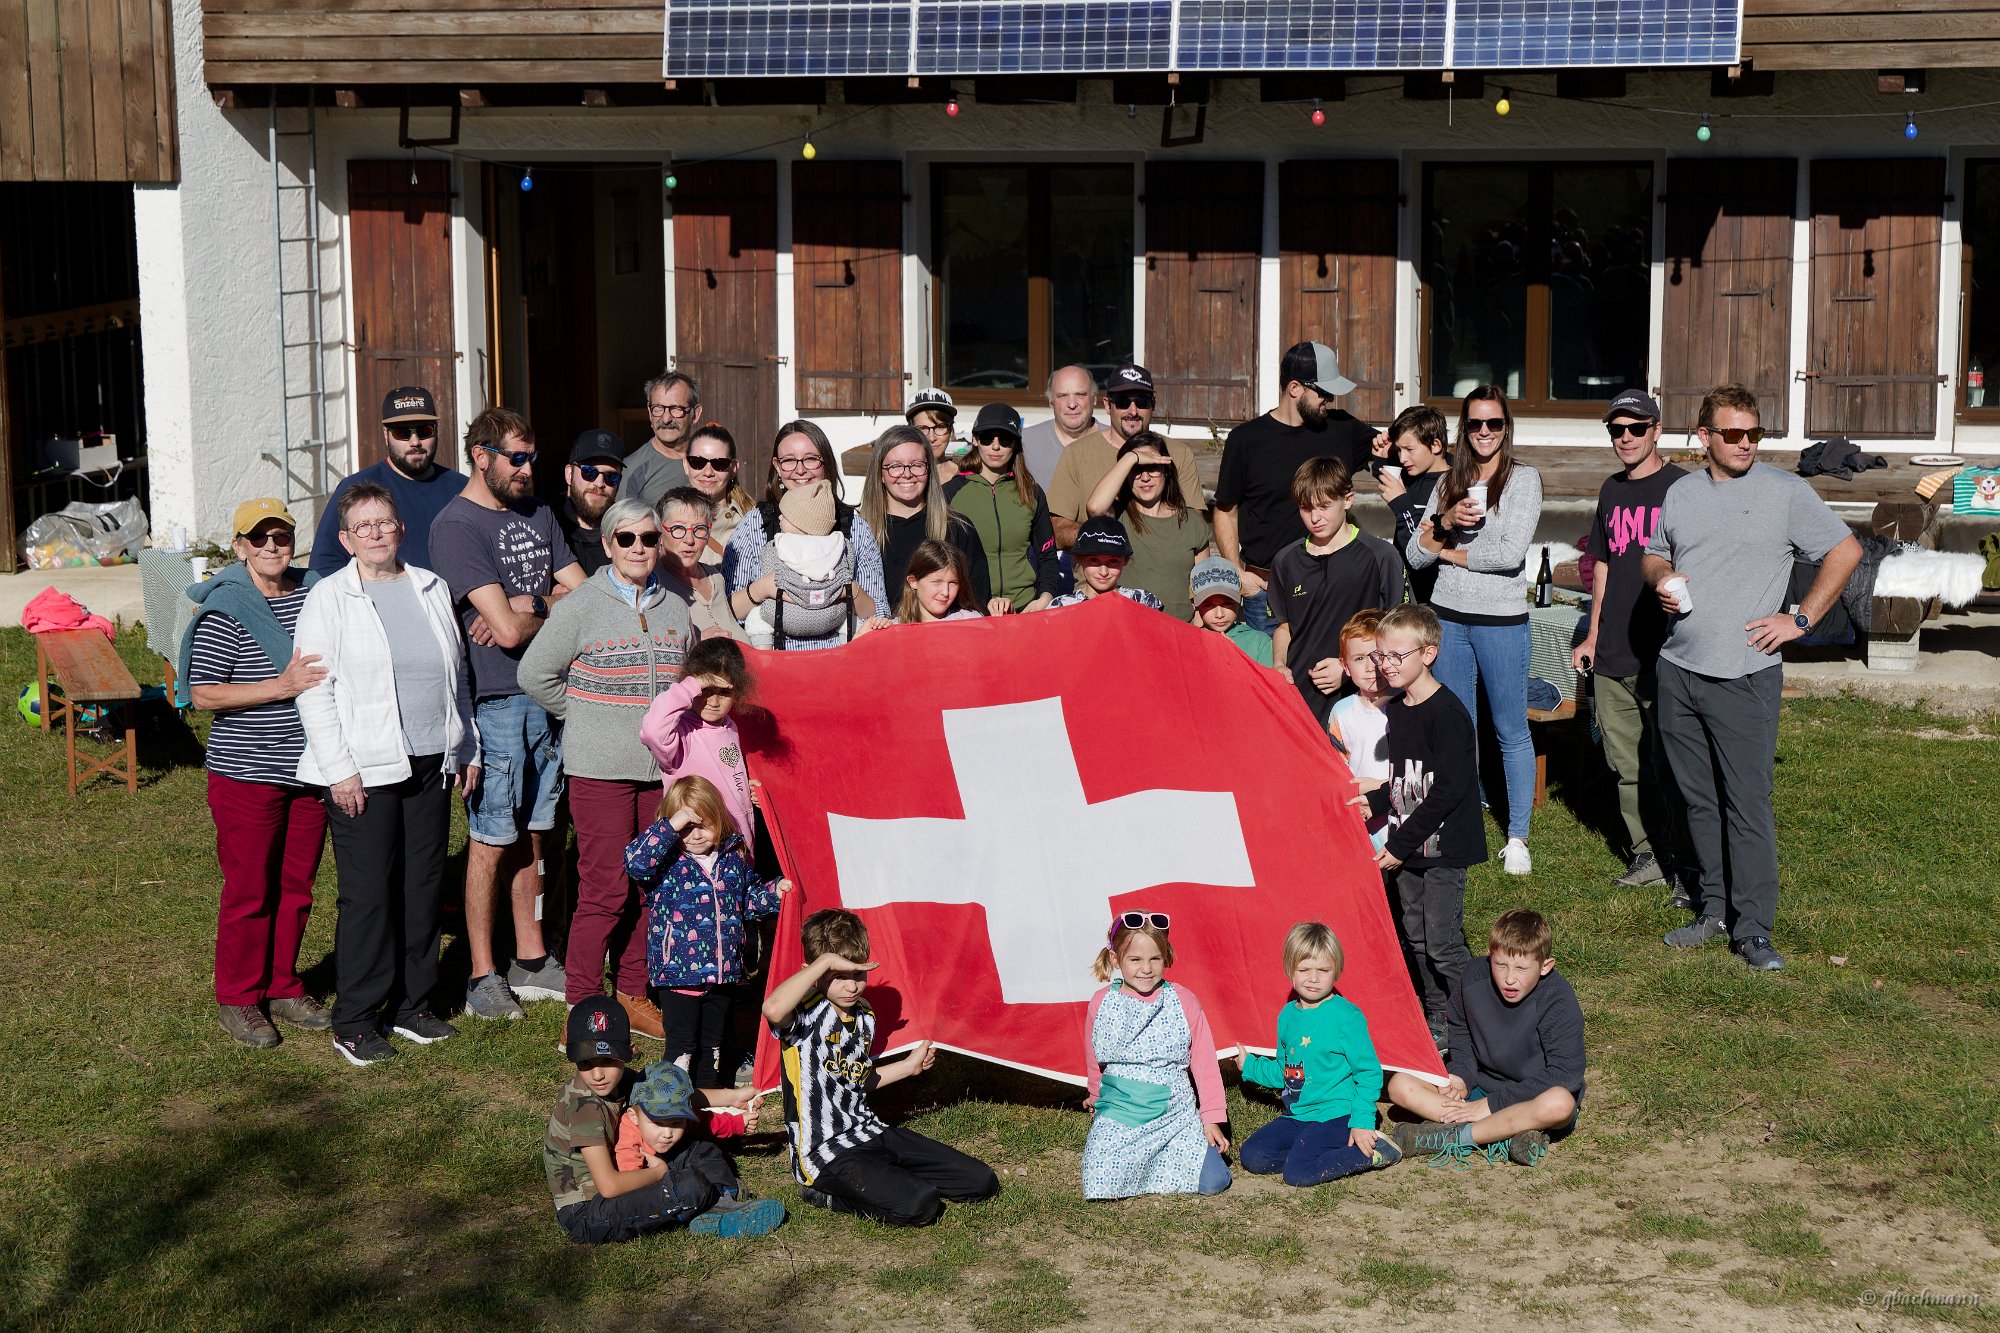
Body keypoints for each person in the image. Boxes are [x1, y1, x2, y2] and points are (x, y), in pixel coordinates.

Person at [1643, 383, 1861, 971]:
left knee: (1747, 805)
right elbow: (1654, 552)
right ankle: (1713, 910)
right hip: (1679, 669)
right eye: (1734, 433)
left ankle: (1754, 929)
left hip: (1745, 674)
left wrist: (1800, 619)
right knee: (1697, 800)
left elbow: (1845, 551)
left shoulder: (1785, 492)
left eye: (1754, 433)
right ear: (1704, 436)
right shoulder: (1681, 492)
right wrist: (1661, 578)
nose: (1746, 443)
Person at [293, 484, 479, 1065]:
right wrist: (339, 770)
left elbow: (456, 676)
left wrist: (466, 746)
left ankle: (412, 1005)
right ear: (346, 539)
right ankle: (355, 1018)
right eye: (363, 526)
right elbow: (313, 691)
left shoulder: (430, 586)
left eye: (385, 522)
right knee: (370, 895)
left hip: (431, 762)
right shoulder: (329, 597)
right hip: (363, 771)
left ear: (401, 528)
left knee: (422, 888)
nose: (376, 533)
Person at [429, 406, 587, 1021]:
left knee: (536, 831)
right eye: (516, 458)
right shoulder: (457, 526)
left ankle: (531, 958)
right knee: (491, 839)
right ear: (481, 457)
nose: (527, 469)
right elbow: (505, 630)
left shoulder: (538, 511)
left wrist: (533, 601)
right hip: (495, 700)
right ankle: (481, 974)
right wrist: (537, 608)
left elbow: (585, 596)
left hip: (550, 694)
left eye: (531, 458)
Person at [519, 497, 693, 1039]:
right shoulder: (579, 607)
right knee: (606, 887)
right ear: (608, 543)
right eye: (627, 538)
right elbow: (535, 673)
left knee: (651, 883)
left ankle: (633, 992)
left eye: (648, 538)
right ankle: (583, 1000)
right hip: (599, 770)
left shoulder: (676, 608)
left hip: (660, 772)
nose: (638, 548)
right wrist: (585, 716)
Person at [183, 498, 329, 1049]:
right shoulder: (228, 609)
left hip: (311, 768)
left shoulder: (315, 595)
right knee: (250, 889)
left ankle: (284, 985)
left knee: (297, 885)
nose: (271, 546)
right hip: (247, 772)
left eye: (281, 536)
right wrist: (280, 687)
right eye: (258, 537)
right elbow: (203, 694)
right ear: (239, 546)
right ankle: (239, 997)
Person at [763, 908, 1001, 1226]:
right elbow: (773, 1008)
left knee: (981, 1182)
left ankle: (889, 1178)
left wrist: (908, 1067)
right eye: (838, 976)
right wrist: (824, 962)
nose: (851, 986)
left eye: (858, 974)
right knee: (921, 1204)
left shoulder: (864, 1014)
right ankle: (826, 1196)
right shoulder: (803, 1014)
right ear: (814, 973)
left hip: (870, 1131)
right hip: (825, 1152)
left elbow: (858, 1079)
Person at [1406, 387, 1545, 876]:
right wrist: (1445, 521)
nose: (1485, 432)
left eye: (1494, 423)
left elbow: (1508, 555)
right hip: (1448, 617)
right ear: (1463, 430)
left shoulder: (1524, 480)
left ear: (1507, 427)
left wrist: (1447, 551)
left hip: (1501, 620)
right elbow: (1414, 554)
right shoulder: (1448, 482)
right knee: (1456, 726)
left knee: (1510, 729)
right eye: (1475, 424)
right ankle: (1457, 817)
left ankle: (1518, 836)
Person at [1569, 390, 1691, 893]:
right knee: (1626, 764)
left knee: (1673, 761)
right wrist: (1593, 635)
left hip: (1665, 649)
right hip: (1613, 648)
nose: (1625, 437)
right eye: (1616, 430)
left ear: (1656, 431)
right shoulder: (1611, 490)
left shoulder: (1683, 488)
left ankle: (1688, 861)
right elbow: (1602, 565)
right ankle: (1649, 855)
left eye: (1636, 428)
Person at [1364, 604, 1486, 1055]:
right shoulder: (1397, 711)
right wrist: (1375, 801)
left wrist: (1399, 843)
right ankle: (1440, 1016)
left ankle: (1481, 1018)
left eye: (1397, 656)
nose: (1386, 665)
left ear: (1428, 653)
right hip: (1410, 847)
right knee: (1415, 937)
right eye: (1381, 656)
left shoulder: (1447, 714)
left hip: (1442, 849)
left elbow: (1449, 789)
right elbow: (1405, 780)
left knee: (1443, 943)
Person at [1385, 909, 1585, 1169]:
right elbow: (1460, 1025)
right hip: (1481, 1085)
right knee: (1400, 1085)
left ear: (1545, 966)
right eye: (1500, 965)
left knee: (1559, 1103)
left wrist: (1491, 1105)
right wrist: (1462, 1075)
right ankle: (1507, 1133)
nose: (1510, 978)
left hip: (1532, 1096)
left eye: (1522, 968)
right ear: (1490, 955)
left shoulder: (1558, 999)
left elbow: (1567, 1073)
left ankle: (1458, 1136)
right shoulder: (1473, 974)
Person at [624, 775, 789, 1085]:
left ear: (719, 820)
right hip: (678, 974)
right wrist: (671, 826)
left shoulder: (732, 859)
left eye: (703, 824)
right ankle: (671, 1106)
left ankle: (708, 1105)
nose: (696, 834)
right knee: (682, 1048)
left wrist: (774, 892)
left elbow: (747, 901)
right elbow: (635, 862)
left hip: (723, 975)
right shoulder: (664, 862)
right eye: (686, 828)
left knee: (713, 1048)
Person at [1213, 343, 1379, 632]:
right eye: (1323, 392)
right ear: (1294, 388)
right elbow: (1226, 511)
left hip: (1334, 587)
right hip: (1265, 590)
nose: (1329, 399)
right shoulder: (1246, 440)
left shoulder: (1344, 429)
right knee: (1267, 662)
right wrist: (1238, 573)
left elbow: (1404, 449)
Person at [542, 997, 734, 1244]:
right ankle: (713, 1205)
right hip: (588, 1210)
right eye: (586, 1063)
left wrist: (734, 1097)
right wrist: (659, 1173)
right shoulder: (585, 1108)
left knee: (701, 1149)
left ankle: (725, 1199)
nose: (598, 1074)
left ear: (629, 1052)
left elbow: (672, 1097)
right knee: (689, 1187)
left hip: (623, 1170)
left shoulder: (622, 1079)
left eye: (608, 1061)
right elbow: (609, 1186)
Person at [1235, 922, 1401, 1186]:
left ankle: (1374, 1153)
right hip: (1297, 1115)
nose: (1313, 978)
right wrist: (1250, 1066)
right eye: (1304, 970)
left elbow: (1368, 1073)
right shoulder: (1287, 1015)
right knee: (1254, 1156)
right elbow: (1285, 1072)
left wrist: (1362, 1121)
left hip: (1338, 1115)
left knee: (1298, 1174)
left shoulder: (1346, 1017)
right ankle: (1308, 1156)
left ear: (1336, 970)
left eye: (1323, 970)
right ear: (1290, 969)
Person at [1081, 912, 1231, 1200]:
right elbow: (1093, 1057)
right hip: (1121, 1111)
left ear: (1166, 956)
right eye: (1135, 959)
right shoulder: (1101, 1002)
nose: (1146, 969)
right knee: (1099, 1179)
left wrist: (1211, 1118)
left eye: (1155, 959)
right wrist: (1096, 1097)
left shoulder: (1184, 1001)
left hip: (1175, 1114)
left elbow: (1205, 1065)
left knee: (1214, 1181)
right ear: (1115, 959)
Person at [1268, 458, 1406, 729]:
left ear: (1348, 500)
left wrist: (1348, 668)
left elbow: (1398, 631)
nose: (1315, 518)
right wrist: (1279, 665)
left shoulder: (1381, 556)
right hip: (1301, 697)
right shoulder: (1285, 560)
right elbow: (1284, 627)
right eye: (1306, 508)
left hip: (1366, 697)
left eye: (1324, 506)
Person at [720, 420, 888, 622]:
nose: (800, 470)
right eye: (789, 460)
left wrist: (849, 589)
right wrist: (762, 588)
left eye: (810, 459)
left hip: (840, 642)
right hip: (772, 641)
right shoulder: (756, 523)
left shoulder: (853, 525)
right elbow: (725, 612)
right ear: (777, 467)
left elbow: (880, 613)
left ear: (826, 463)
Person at [609, 1061, 786, 1236]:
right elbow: (629, 1178)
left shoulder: (680, 1120)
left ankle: (723, 1200)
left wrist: (739, 1122)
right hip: (655, 1183)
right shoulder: (627, 1134)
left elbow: (708, 1122)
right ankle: (711, 1206)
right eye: (658, 1123)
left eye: (676, 1123)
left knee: (706, 1148)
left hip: (677, 1171)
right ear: (634, 1117)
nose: (667, 1133)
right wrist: (655, 1175)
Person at [1045, 364, 1206, 549]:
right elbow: (1057, 530)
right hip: (1098, 566)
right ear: (1108, 405)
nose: (1133, 411)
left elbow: (1194, 526)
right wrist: (1104, 539)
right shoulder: (1077, 454)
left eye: (1142, 401)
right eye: (1123, 401)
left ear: (1153, 404)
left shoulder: (1178, 453)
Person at [308, 386, 464, 577]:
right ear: (385, 434)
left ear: (436, 430)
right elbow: (324, 565)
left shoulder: (462, 488)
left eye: (424, 430)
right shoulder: (356, 489)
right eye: (402, 432)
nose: (415, 441)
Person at [641, 636, 758, 856]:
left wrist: (745, 788)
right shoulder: (680, 732)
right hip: (696, 848)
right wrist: (691, 685)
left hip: (738, 846)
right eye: (706, 690)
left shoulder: (730, 726)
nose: (713, 702)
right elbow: (652, 731)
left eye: (724, 693)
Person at [859, 423, 993, 606]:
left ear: (929, 469)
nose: (907, 474)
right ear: (880, 473)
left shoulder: (958, 529)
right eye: (895, 466)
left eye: (917, 465)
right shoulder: (861, 532)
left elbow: (978, 601)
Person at [1086, 431, 1214, 620]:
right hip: (1127, 627)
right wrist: (1131, 458)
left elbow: (1203, 588)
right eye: (1136, 469)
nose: (1145, 477)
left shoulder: (1191, 521)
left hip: (1179, 629)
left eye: (1152, 468)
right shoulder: (1117, 516)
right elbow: (1094, 508)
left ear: (1166, 471)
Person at [948, 402, 1062, 613]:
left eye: (1005, 439)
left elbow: (1047, 555)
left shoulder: (1032, 492)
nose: (996, 446)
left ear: (1016, 443)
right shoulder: (951, 493)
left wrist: (1045, 597)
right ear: (975, 440)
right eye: (987, 437)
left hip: (1025, 608)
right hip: (971, 611)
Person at [736, 480, 865, 650]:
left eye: (785, 515)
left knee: (757, 618)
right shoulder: (841, 545)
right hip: (832, 615)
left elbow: (769, 568)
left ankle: (766, 655)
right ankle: (846, 648)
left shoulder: (776, 546)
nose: (779, 517)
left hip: (785, 615)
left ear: (801, 522)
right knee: (852, 619)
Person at [1327, 611, 1394, 852]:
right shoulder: (1341, 711)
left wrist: (1381, 785)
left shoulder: (1407, 705)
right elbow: (1336, 765)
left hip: (1405, 816)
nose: (1370, 667)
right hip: (1361, 822)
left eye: (1377, 656)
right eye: (1359, 658)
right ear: (1345, 666)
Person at [1378, 405, 1453, 607]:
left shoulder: (1453, 486)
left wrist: (1401, 504)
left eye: (1409, 449)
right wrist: (1381, 458)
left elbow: (1419, 548)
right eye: (1398, 450)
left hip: (1431, 600)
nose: (1402, 459)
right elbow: (1385, 475)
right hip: (1401, 593)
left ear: (1436, 445)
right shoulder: (1411, 475)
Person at [657, 486, 746, 642]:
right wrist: (696, 639)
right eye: (678, 528)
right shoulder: (652, 583)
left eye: (699, 529)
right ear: (659, 532)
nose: (689, 540)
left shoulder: (715, 577)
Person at [1043, 516, 1165, 611]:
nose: (1103, 572)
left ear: (1126, 560)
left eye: (1113, 561)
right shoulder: (1062, 606)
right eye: (1094, 560)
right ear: (1078, 558)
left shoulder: (1144, 602)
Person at [616, 369, 697, 508]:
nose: (666, 419)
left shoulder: (712, 463)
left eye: (676, 408)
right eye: (658, 408)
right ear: (649, 413)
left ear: (695, 414)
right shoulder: (632, 470)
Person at [1021, 364, 1100, 490]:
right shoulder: (1025, 443)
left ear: (1094, 399)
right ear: (1051, 402)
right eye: (1062, 396)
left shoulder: (1116, 442)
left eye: (1080, 394)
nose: (1072, 404)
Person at [682, 422, 753, 559]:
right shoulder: (665, 520)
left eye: (719, 463)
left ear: (733, 468)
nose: (708, 472)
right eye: (697, 462)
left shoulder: (751, 523)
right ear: (686, 465)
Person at [559, 429, 625, 576]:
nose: (599, 483)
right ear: (569, 474)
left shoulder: (626, 534)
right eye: (589, 472)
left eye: (611, 477)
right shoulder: (546, 525)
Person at [1188, 557, 1273, 665]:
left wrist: (1235, 658)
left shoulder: (1260, 642)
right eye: (1208, 605)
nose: (1219, 614)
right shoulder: (1187, 642)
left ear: (1239, 600)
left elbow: (1266, 675)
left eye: (1227, 603)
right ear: (1194, 604)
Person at [897, 539, 985, 623]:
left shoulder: (972, 621)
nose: (946, 592)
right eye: (936, 582)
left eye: (953, 583)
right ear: (913, 582)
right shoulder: (895, 628)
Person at [905, 387, 967, 488]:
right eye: (922, 429)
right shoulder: (901, 477)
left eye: (940, 427)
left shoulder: (964, 476)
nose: (931, 438)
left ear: (950, 429)